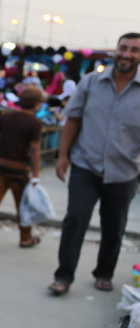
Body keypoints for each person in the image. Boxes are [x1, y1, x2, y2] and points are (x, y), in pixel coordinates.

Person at [47, 33, 140, 296]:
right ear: (116, 50)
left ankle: (104, 273)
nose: (127, 54)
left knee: (114, 226)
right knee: (75, 219)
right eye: (124, 48)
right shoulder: (90, 82)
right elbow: (73, 120)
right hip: (86, 165)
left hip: (124, 171)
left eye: (135, 50)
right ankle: (63, 276)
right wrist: (63, 156)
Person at [0, 86, 44, 251]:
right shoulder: (35, 123)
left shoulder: (7, 117)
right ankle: (25, 238)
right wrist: (36, 172)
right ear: (37, 104)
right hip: (19, 169)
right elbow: (34, 149)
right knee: (22, 205)